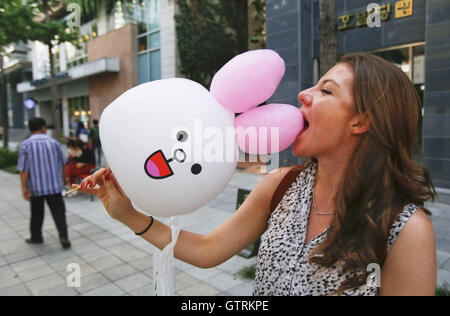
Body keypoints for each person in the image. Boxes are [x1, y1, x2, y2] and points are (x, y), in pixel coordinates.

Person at [76, 53, 437, 296]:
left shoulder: (406, 230)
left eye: (326, 90)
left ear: (362, 121)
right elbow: (208, 250)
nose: (303, 95)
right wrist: (129, 215)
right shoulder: (280, 185)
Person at [17, 118, 71, 249]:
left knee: (36, 215)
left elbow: (23, 170)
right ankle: (64, 237)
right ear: (42, 127)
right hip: (54, 187)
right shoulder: (53, 143)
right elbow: (63, 163)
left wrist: (24, 188)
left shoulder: (26, 145)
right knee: (59, 214)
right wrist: (65, 181)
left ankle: (36, 237)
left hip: (36, 188)